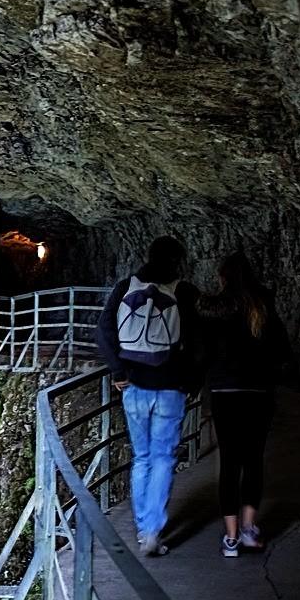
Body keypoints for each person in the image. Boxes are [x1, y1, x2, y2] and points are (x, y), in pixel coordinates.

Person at [95, 236, 200, 556]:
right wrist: (191, 380)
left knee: (141, 458)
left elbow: (103, 330)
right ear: (177, 261)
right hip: (170, 387)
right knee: (163, 458)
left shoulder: (126, 285)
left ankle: (143, 530)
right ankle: (155, 529)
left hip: (134, 386)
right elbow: (197, 341)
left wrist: (118, 372)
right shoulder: (183, 291)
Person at [197, 252, 292, 557]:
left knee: (229, 462)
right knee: (253, 460)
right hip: (258, 393)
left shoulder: (213, 311)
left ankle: (231, 537)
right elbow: (282, 351)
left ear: (223, 278)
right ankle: (250, 529)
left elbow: (203, 353)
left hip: (225, 393)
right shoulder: (263, 309)